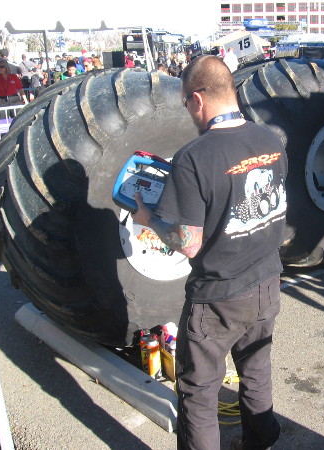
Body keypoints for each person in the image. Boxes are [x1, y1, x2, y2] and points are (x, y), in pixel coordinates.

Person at [132, 54, 287, 450]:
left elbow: (189, 243)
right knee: (256, 369)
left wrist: (150, 219)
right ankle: (262, 441)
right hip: (267, 281)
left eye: (186, 103)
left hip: (218, 296)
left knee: (199, 392)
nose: (188, 112)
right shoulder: (271, 140)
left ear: (197, 100)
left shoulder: (194, 157)